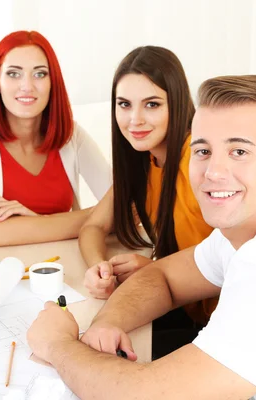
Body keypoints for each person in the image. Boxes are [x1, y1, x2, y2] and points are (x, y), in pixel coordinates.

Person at [27, 75, 256, 399]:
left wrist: (57, 343)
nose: (213, 172)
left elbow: (141, 395)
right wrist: (108, 323)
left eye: (239, 152)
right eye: (202, 151)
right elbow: (164, 276)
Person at [79, 46, 215, 357]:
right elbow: (93, 226)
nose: (134, 119)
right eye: (124, 104)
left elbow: (227, 258)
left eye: (152, 104)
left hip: (221, 322)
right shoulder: (146, 161)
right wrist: (98, 268)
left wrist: (156, 270)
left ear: (176, 103)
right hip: (186, 310)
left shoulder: (197, 162)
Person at [0, 30, 111, 248]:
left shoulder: (71, 135)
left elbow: (128, 211)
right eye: (14, 74)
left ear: (52, 82)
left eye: (40, 74)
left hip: (65, 265)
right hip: (6, 268)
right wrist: (97, 217)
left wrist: (33, 221)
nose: (27, 86)